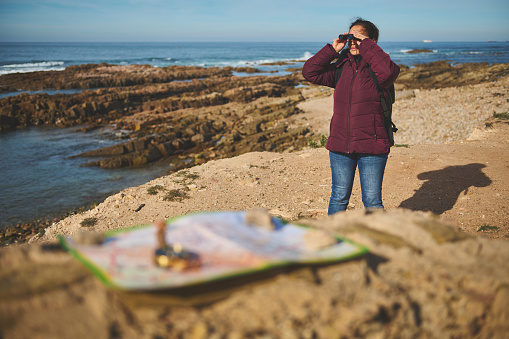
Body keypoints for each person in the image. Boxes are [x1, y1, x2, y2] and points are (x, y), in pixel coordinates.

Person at [302, 18, 400, 214]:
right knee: (338, 197)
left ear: (372, 42)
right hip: (340, 144)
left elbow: (389, 73)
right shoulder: (341, 68)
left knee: (372, 200)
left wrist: (367, 46)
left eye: (359, 38)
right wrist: (332, 49)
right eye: (350, 37)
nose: (353, 42)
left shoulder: (380, 68)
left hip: (371, 144)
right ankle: (335, 241)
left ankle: (375, 242)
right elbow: (309, 72)